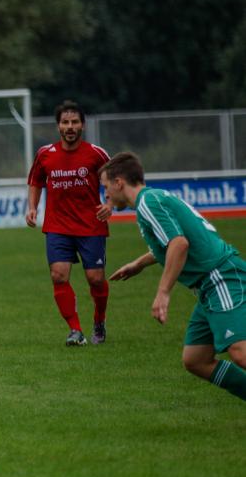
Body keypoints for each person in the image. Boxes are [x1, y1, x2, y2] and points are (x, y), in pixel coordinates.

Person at [101, 152, 246, 402]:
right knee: (196, 359)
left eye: (105, 187)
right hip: (207, 286)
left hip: (219, 277)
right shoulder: (152, 199)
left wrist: (163, 292)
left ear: (119, 182)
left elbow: (179, 244)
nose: (105, 195)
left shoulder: (148, 203)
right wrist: (139, 263)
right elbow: (171, 241)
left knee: (240, 352)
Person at [26, 100, 112, 346]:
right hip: (57, 226)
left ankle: (99, 320)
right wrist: (32, 208)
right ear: (58, 127)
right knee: (58, 276)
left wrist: (109, 204)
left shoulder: (96, 154)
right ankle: (75, 330)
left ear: (82, 125)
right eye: (65, 122)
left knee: (95, 279)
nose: (70, 126)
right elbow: (35, 181)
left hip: (90, 225)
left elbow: (115, 179)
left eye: (74, 122)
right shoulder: (45, 154)